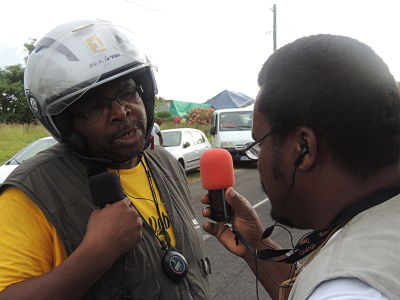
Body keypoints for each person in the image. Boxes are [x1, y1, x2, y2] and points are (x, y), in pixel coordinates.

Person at [0, 19, 211, 300]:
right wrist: (95, 255)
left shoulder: (164, 163)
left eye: (128, 92)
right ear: (66, 125)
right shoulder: (31, 194)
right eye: (96, 105)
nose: (121, 112)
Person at [201, 34, 400, 300]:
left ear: (303, 148)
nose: (258, 162)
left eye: (259, 144)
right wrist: (256, 245)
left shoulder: (349, 289)